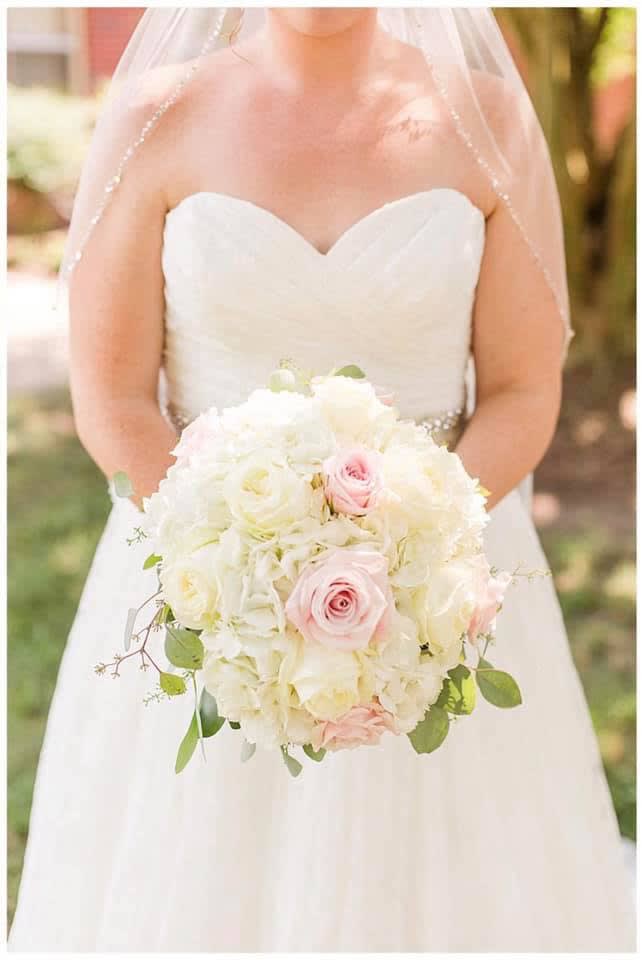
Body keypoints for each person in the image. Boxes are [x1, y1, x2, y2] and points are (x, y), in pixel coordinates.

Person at [9, 8, 635, 951]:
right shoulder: (154, 115)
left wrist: (409, 559)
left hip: (443, 583)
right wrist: (237, 565)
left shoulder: (488, 120)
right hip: (202, 577)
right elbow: (113, 394)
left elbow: (521, 388)